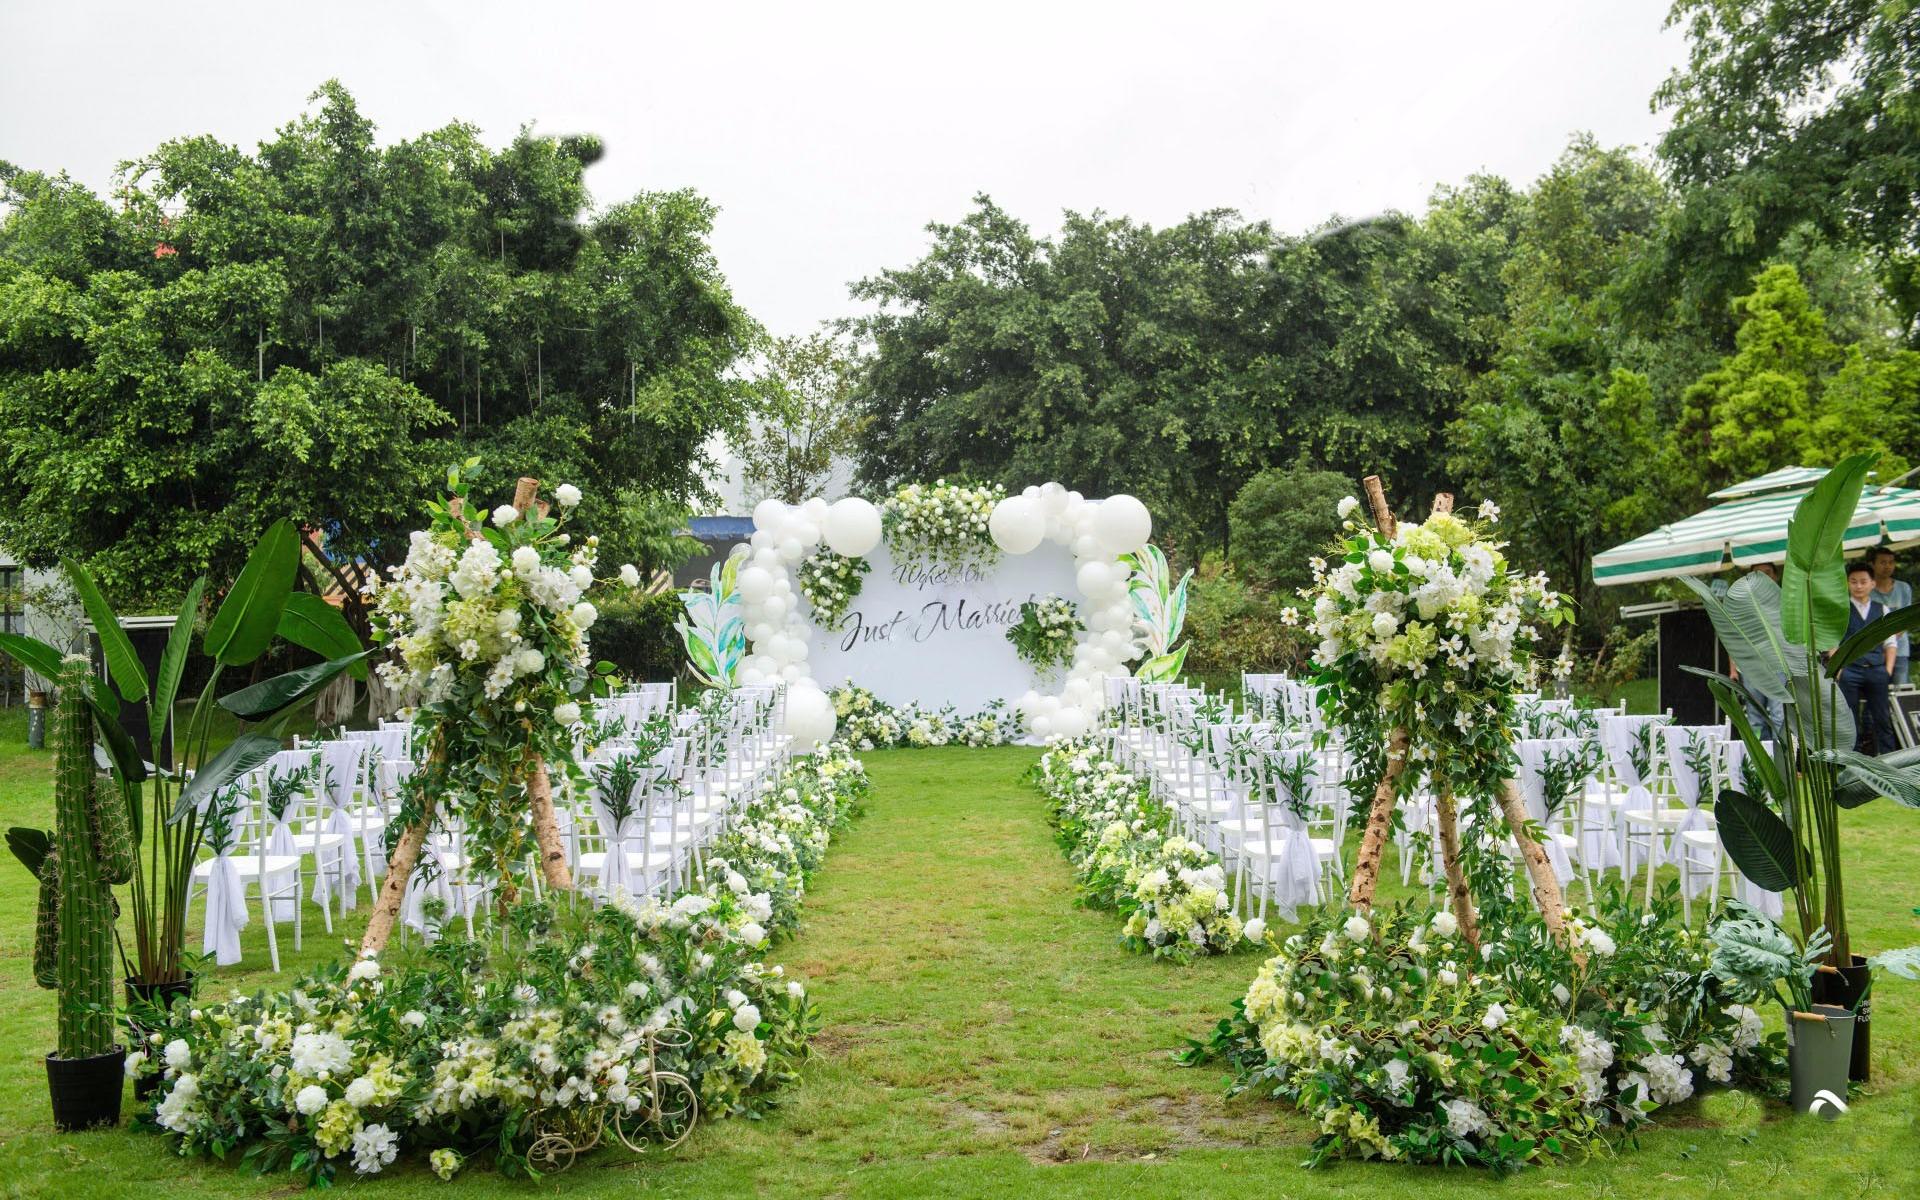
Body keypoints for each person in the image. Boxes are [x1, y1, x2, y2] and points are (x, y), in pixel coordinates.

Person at [1839, 561, 1899, 754]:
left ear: (1872, 583)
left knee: (1882, 718)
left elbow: (1891, 643)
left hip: (1877, 669)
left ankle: (1891, 761)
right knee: (1849, 720)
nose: (1858, 586)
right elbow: (1831, 643)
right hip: (1849, 671)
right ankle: (1853, 763)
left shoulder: (1882, 609)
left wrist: (1888, 670)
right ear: (1847, 583)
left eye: (1863, 581)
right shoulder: (1841, 611)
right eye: (1853, 581)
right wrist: (1839, 670)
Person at [1868, 545, 1911, 685]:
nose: (1887, 566)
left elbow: (1908, 618)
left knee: (1901, 693)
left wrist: (1891, 638)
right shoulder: (1867, 589)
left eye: (1891, 562)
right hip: (1874, 651)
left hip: (1900, 650)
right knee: (1878, 692)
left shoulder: (1903, 588)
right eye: (1883, 562)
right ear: (1872, 564)